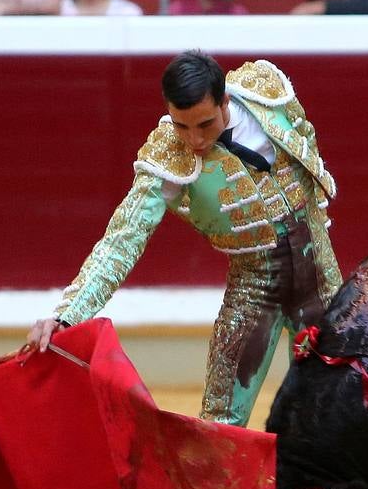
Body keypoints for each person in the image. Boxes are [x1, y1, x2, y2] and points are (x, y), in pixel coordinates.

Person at [26, 52, 343, 427]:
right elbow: (122, 239)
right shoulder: (167, 157)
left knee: (332, 412)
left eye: (205, 125)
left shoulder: (267, 92)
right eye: (182, 127)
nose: (194, 140)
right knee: (220, 423)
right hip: (255, 288)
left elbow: (306, 141)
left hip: (322, 276)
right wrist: (67, 317)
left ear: (224, 101)